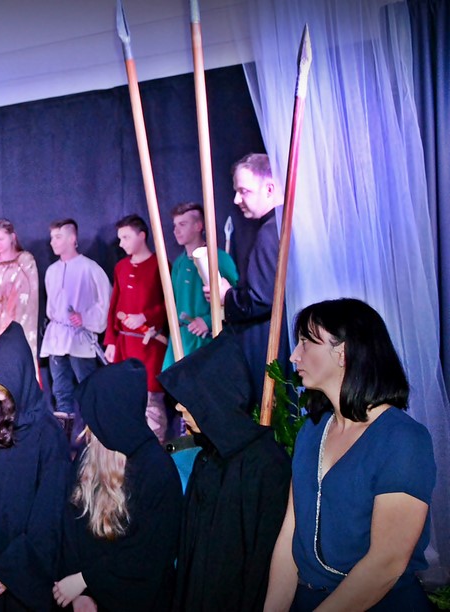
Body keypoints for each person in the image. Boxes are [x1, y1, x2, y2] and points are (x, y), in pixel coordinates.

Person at [264, 299, 436, 611]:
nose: (293, 355)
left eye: (306, 342)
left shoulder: (402, 438)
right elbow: (291, 533)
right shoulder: (312, 431)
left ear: (343, 352)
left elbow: (386, 563)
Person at [158, 334, 290, 612]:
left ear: (215, 397)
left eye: (192, 396)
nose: (179, 406)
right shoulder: (207, 456)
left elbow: (264, 563)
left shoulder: (266, 464)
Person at [0, 322, 70, 610]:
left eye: (3, 377)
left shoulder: (48, 435)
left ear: (20, 374)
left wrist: (9, 571)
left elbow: (50, 514)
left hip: (22, 582)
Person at [54, 359, 182, 612]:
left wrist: (86, 581)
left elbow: (148, 555)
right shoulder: (88, 455)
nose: (87, 425)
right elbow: (68, 526)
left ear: (111, 414)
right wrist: (79, 592)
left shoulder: (158, 470)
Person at [211, 153, 288, 406]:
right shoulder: (280, 226)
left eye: (244, 191)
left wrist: (226, 296)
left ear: (269, 189)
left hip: (270, 345)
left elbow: (261, 299)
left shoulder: (270, 232)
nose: (236, 199)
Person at [39, 219, 111, 427]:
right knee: (60, 391)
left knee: (87, 388)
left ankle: (95, 435)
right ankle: (64, 437)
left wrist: (85, 318)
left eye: (58, 237)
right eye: (52, 237)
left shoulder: (90, 268)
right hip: (57, 337)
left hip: (80, 338)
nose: (53, 242)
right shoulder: (52, 271)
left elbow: (106, 302)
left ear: (72, 239)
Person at [105, 215, 168, 442]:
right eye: (120, 238)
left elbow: (170, 304)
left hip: (149, 346)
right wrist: (111, 341)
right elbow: (114, 305)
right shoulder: (121, 267)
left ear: (142, 236)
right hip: (124, 345)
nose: (121, 243)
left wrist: (145, 316)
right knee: (125, 399)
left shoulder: (161, 266)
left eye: (126, 237)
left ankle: (156, 449)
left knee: (151, 401)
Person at [161, 203, 238, 370]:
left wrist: (208, 321)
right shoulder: (179, 264)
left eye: (182, 224)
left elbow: (236, 301)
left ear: (198, 226)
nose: (176, 231)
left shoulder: (219, 258)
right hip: (181, 340)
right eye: (175, 225)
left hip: (207, 341)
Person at [0, 218, 40, 369]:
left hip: (16, 326)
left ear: (12, 237)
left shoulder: (24, 261)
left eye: (1, 239)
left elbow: (28, 297)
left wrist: (8, 330)